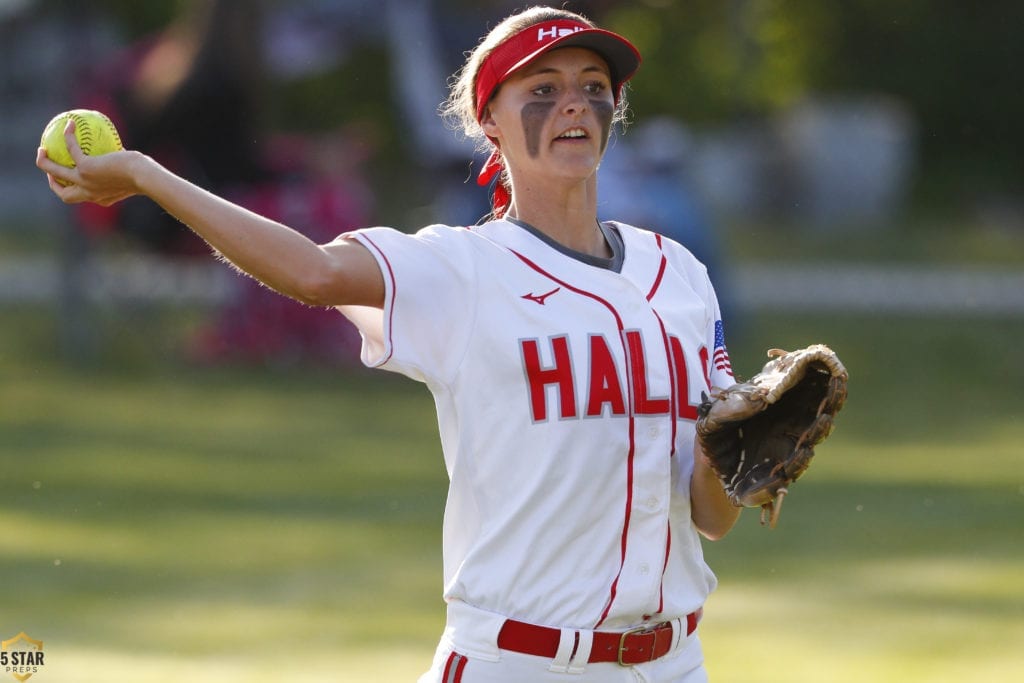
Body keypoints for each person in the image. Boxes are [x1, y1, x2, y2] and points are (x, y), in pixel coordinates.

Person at [37, 5, 741, 681]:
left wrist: (746, 453)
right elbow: (313, 271)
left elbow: (712, 514)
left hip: (675, 664)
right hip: (519, 663)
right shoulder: (461, 268)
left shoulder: (677, 274)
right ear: (489, 119)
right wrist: (145, 176)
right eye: (544, 88)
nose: (575, 105)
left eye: (595, 88)